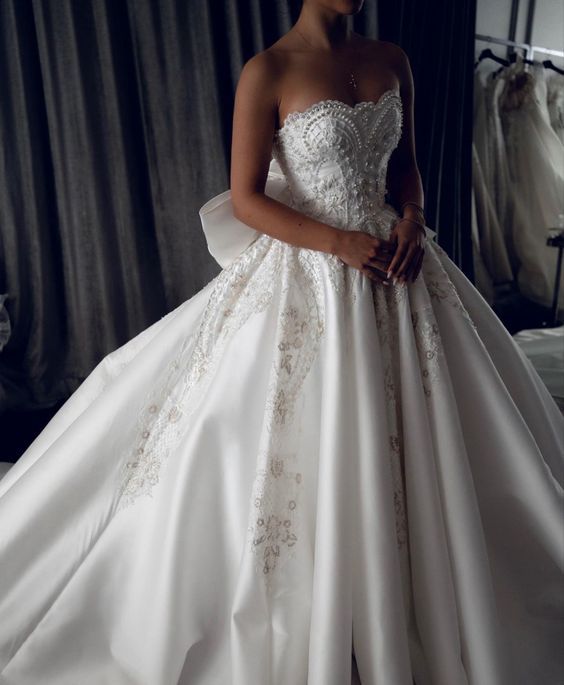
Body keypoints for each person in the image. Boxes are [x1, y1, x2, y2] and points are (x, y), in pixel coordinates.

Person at [0, 1, 563, 684]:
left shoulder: (392, 60)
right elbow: (245, 198)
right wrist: (337, 243)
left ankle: (426, 589)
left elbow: (407, 165)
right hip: (315, 270)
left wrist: (414, 219)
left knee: (435, 430)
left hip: (399, 262)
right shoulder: (268, 70)